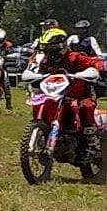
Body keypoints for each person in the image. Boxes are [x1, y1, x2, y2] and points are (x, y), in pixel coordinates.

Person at [33, 28, 103, 163]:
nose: (48, 51)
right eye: (45, 47)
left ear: (60, 46)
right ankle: (44, 133)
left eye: (50, 47)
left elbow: (93, 62)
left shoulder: (74, 57)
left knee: (85, 107)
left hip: (80, 94)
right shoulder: (46, 62)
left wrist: (98, 66)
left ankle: (91, 142)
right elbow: (39, 73)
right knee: (40, 103)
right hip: (55, 94)